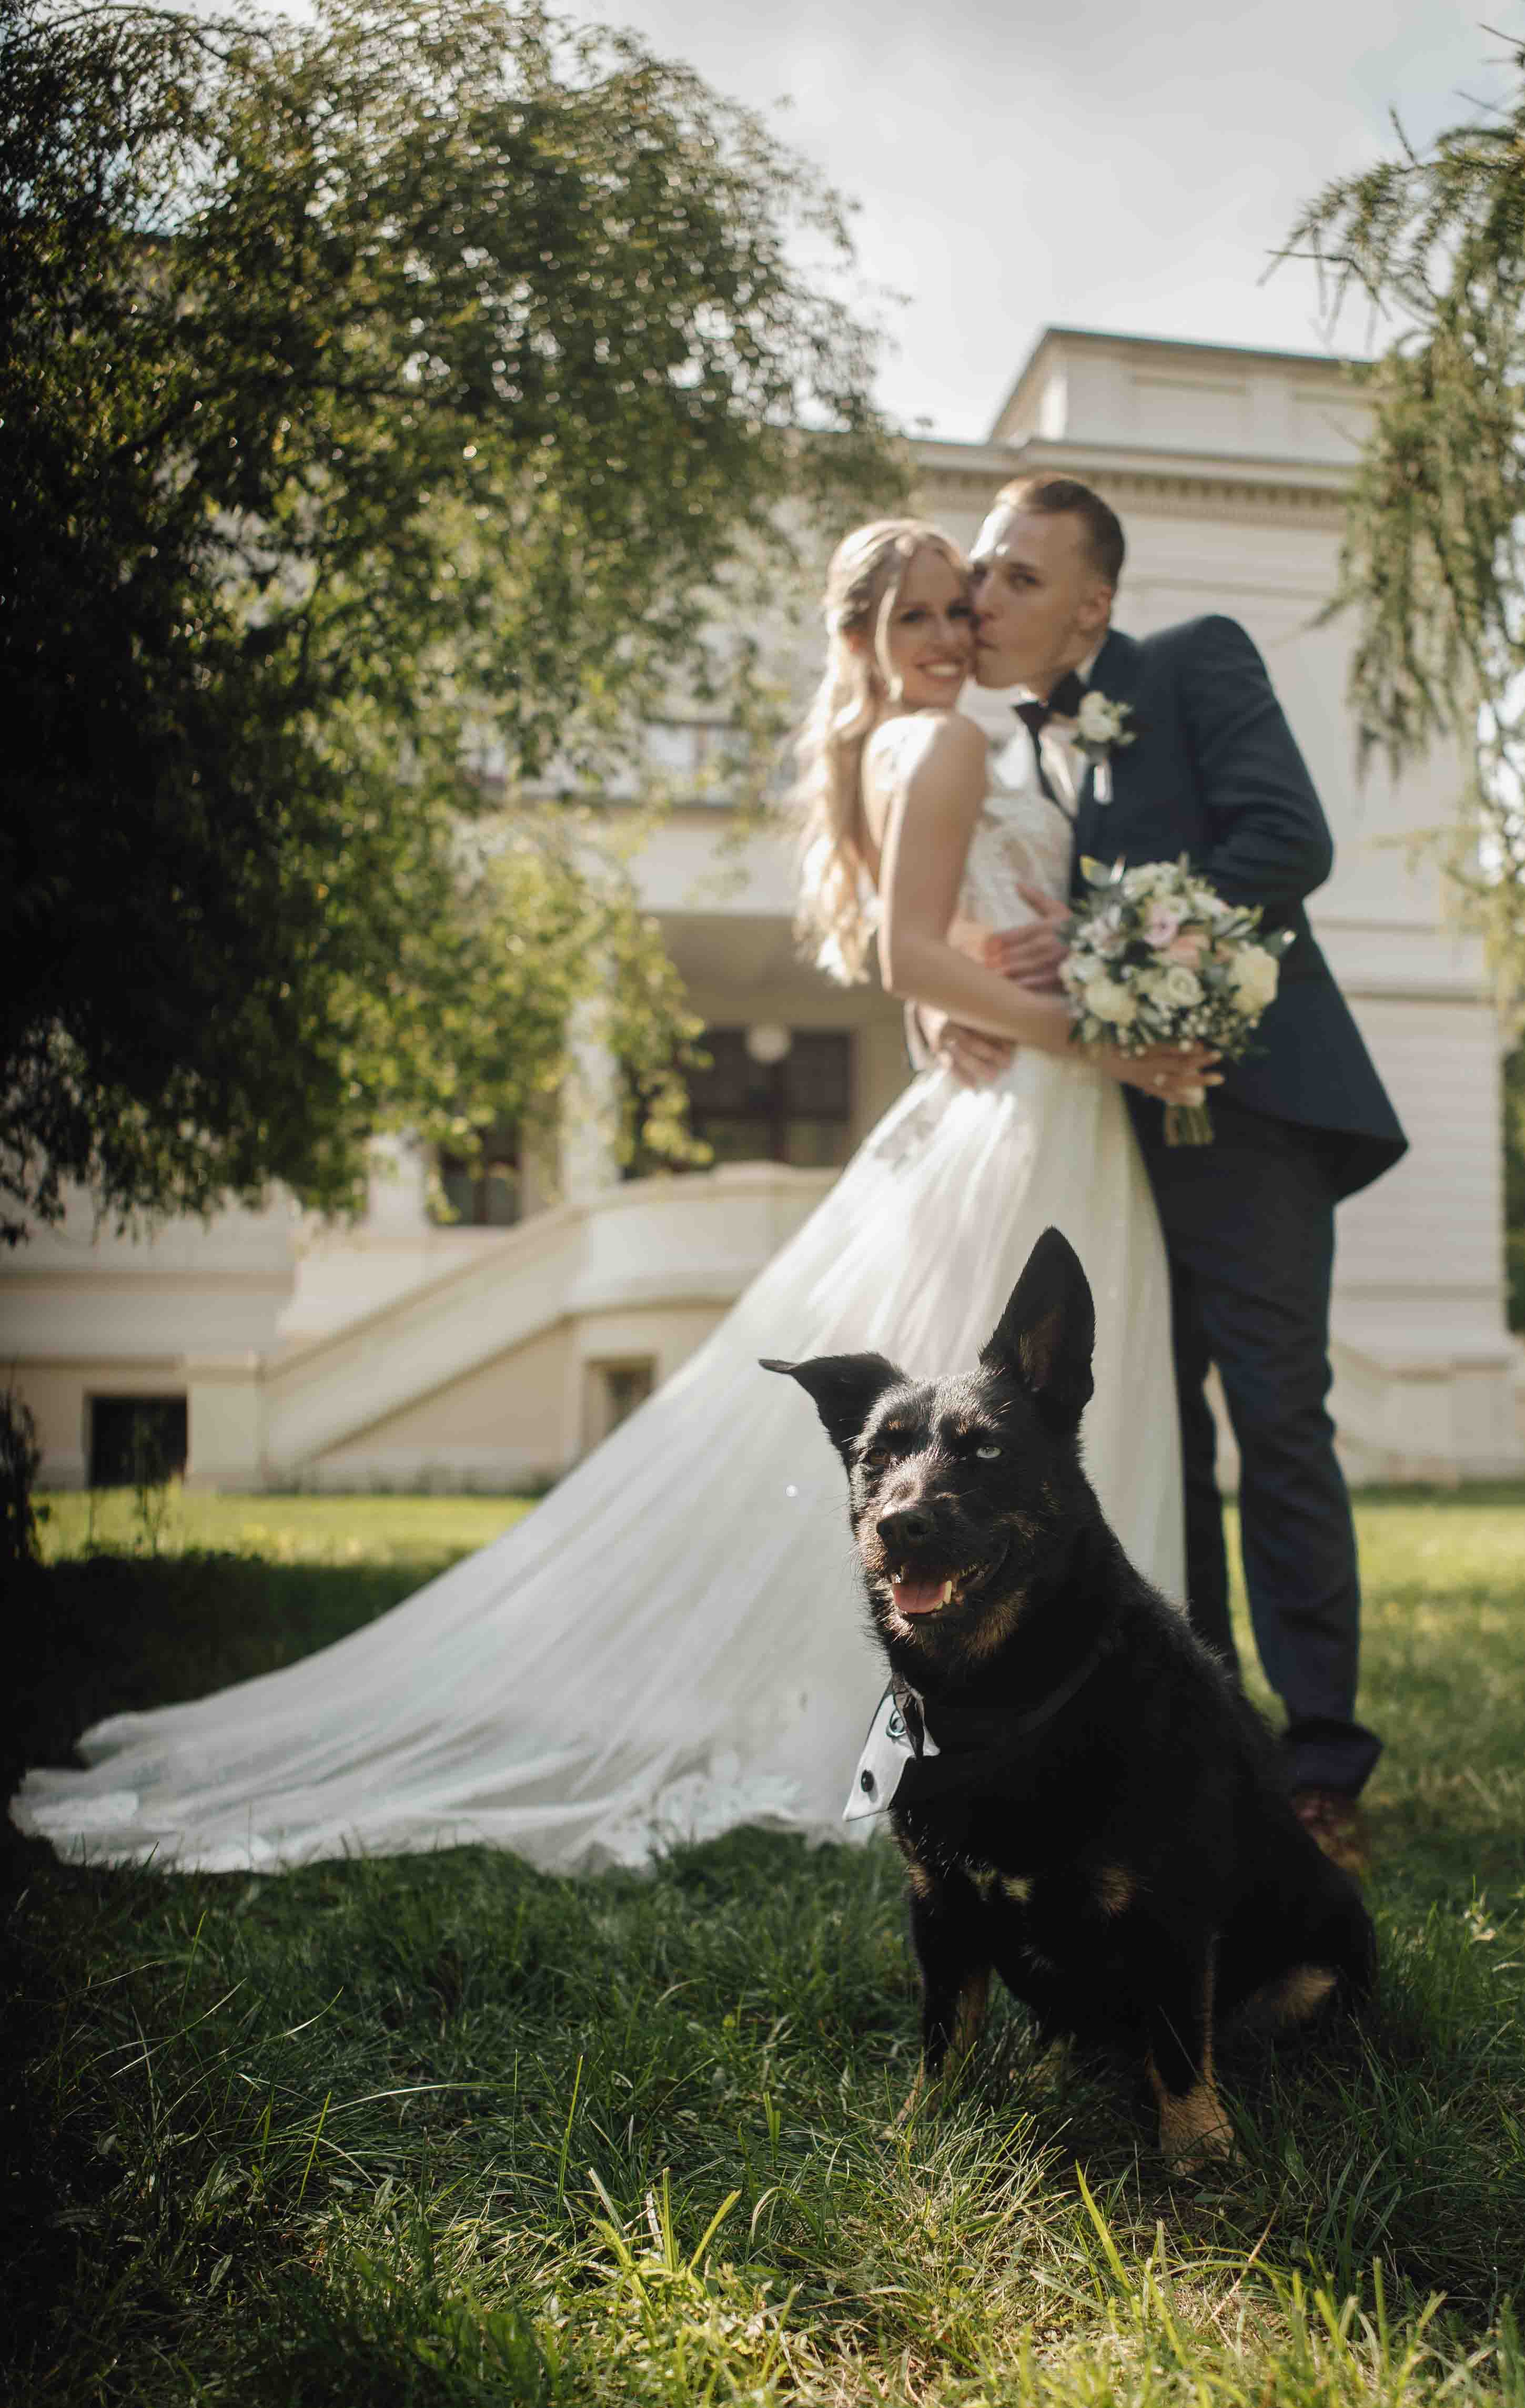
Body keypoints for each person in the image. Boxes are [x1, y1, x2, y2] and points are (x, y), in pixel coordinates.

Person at [13, 522, 1209, 1877]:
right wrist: (1094, 1031)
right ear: (861, 637)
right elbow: (907, 951)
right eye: (916, 618)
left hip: (1016, 1102)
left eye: (958, 611)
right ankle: (1038, 1731)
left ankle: (1000, 1720)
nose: (946, 638)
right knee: (1026, 1433)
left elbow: (925, 962)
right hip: (1039, 1108)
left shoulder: (903, 745)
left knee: (986, 1430)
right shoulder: (936, 743)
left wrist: (1032, 989)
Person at [924, 474, 1407, 1873]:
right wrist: (940, 997)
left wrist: (1114, 962)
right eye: (977, 578)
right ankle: (1213, 1728)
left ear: (1094, 599)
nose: (983, 599)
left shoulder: (1194, 659)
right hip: (1104, 1132)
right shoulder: (1006, 754)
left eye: (1016, 576)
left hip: (1247, 1109)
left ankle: (1322, 1764)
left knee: (1279, 1421)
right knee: (1155, 1437)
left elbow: (1283, 845)